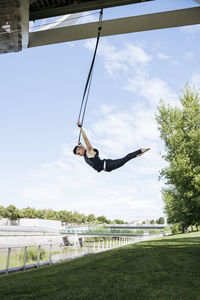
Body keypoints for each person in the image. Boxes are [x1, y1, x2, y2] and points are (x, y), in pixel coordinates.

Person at [73, 122, 150, 173]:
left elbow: (86, 140)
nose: (79, 155)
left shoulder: (89, 151)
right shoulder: (86, 153)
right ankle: (139, 153)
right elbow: (84, 148)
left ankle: (140, 151)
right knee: (125, 159)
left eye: (78, 153)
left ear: (81, 149)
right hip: (107, 167)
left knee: (125, 159)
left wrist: (81, 128)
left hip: (107, 164)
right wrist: (81, 145)